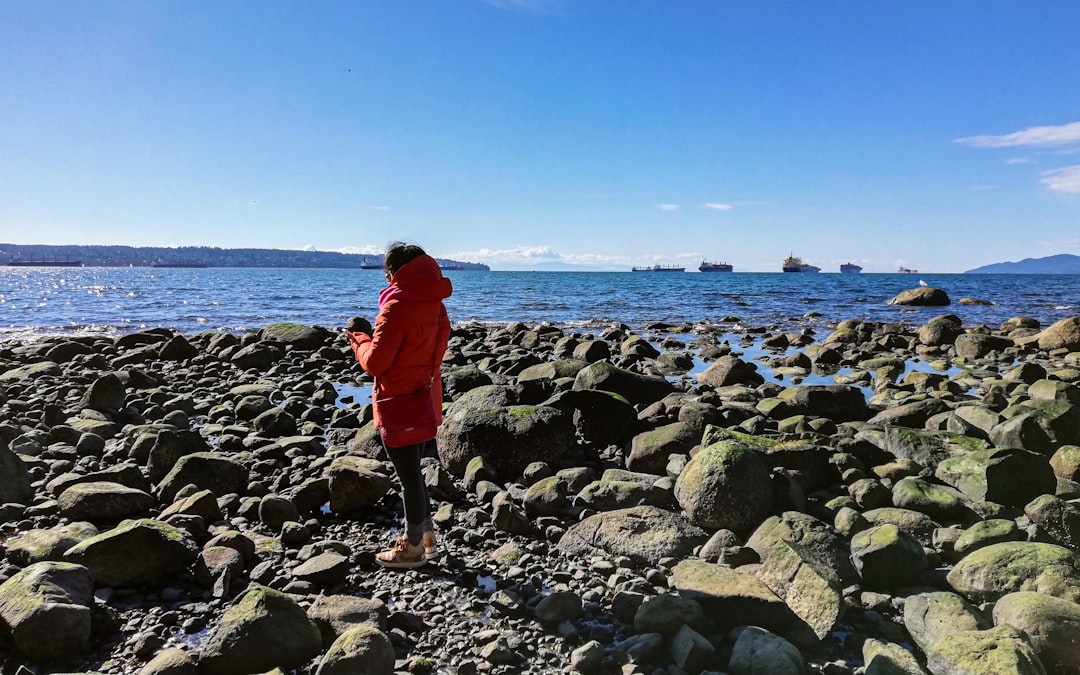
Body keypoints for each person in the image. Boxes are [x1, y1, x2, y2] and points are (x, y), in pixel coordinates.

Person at [346, 242, 452, 568]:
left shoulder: (395, 307)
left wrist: (359, 339)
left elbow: (376, 363)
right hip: (427, 398)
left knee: (409, 480)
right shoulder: (436, 305)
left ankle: (413, 548)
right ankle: (428, 538)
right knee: (415, 475)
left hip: (399, 402)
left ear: (394, 272)